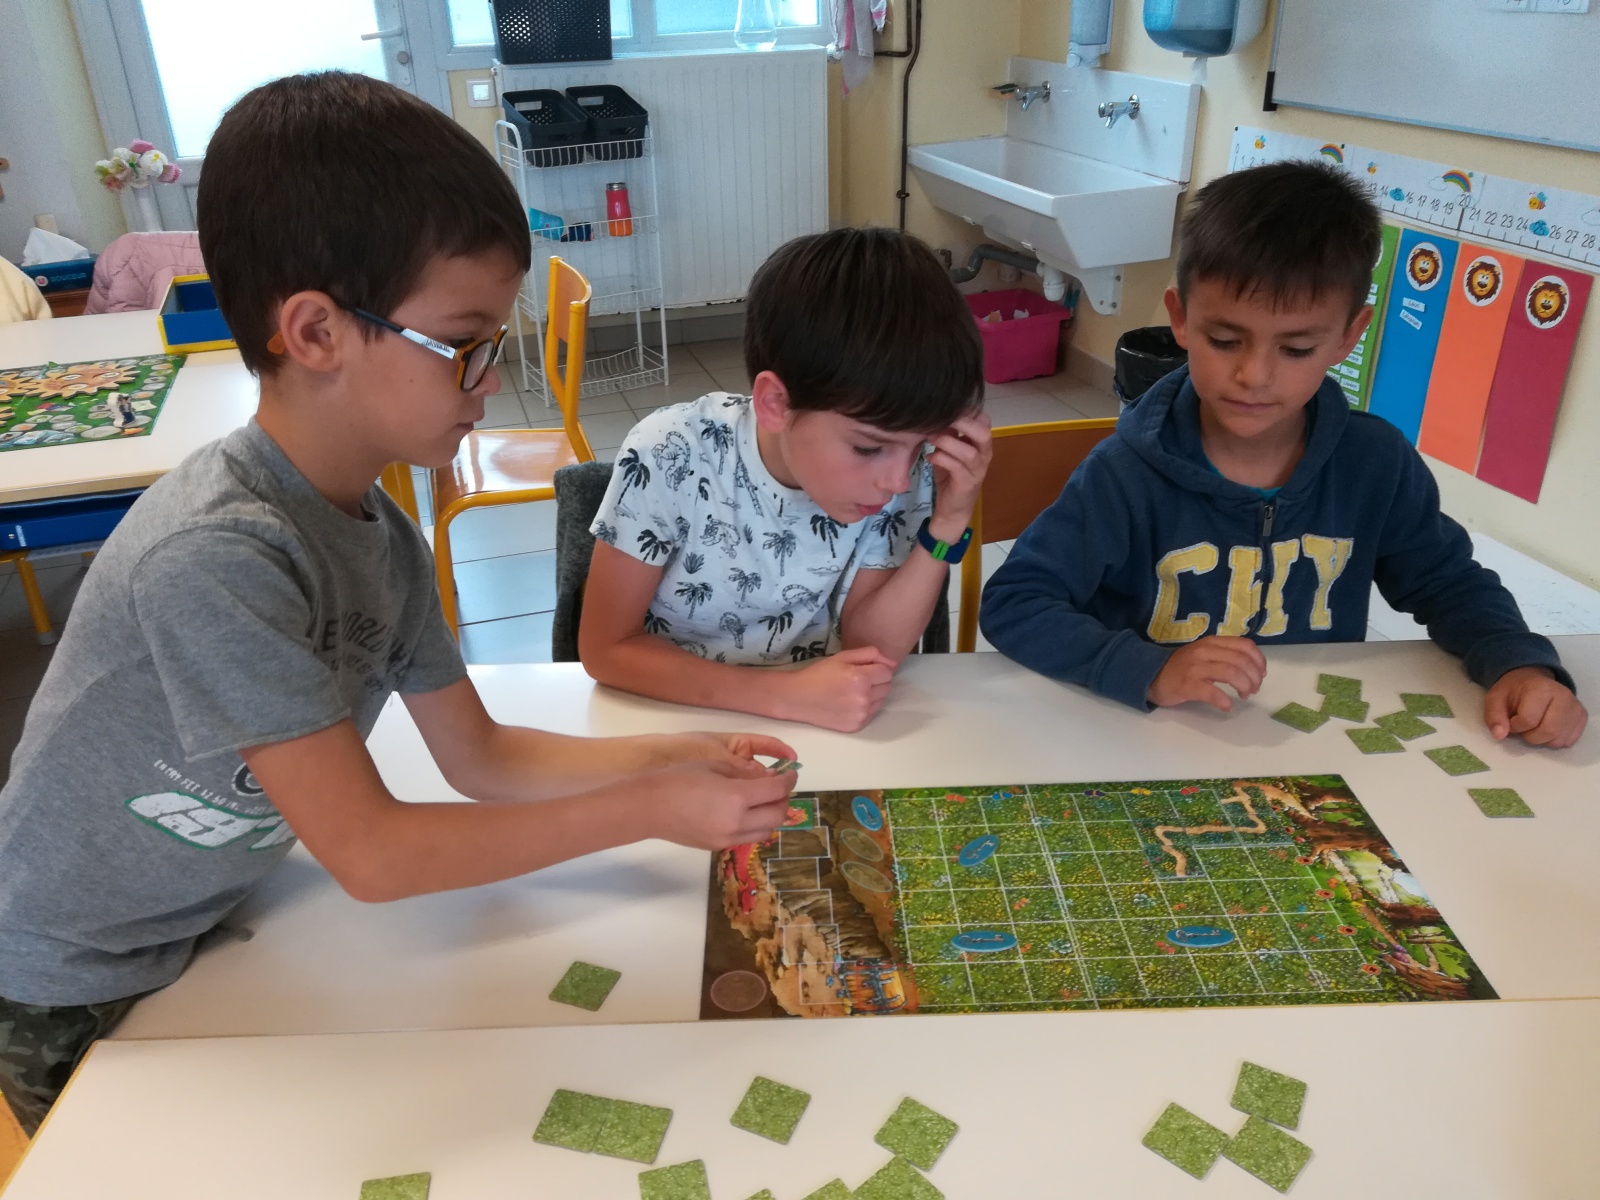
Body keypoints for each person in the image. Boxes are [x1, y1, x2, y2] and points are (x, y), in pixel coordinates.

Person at [0, 72, 797, 1137]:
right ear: (315, 332)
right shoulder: (218, 556)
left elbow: (481, 756)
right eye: (466, 343)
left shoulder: (377, 529)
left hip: (203, 923)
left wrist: (673, 757)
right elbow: (372, 856)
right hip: (64, 981)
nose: (489, 379)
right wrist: (648, 811)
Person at [981, 160, 1586, 749]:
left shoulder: (1375, 462)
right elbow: (1015, 602)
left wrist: (1519, 662)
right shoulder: (1122, 474)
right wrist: (1146, 668)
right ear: (1181, 320)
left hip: (1305, 739)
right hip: (1154, 735)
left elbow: (1448, 583)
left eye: (1296, 349)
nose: (1254, 375)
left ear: (1348, 337)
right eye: (1225, 340)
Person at [580, 228, 992, 733]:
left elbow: (872, 650)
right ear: (775, 403)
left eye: (920, 447)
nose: (898, 482)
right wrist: (780, 696)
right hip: (673, 716)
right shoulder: (672, 451)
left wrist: (948, 523)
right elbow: (606, 649)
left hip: (814, 719)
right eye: (868, 448)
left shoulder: (902, 473)